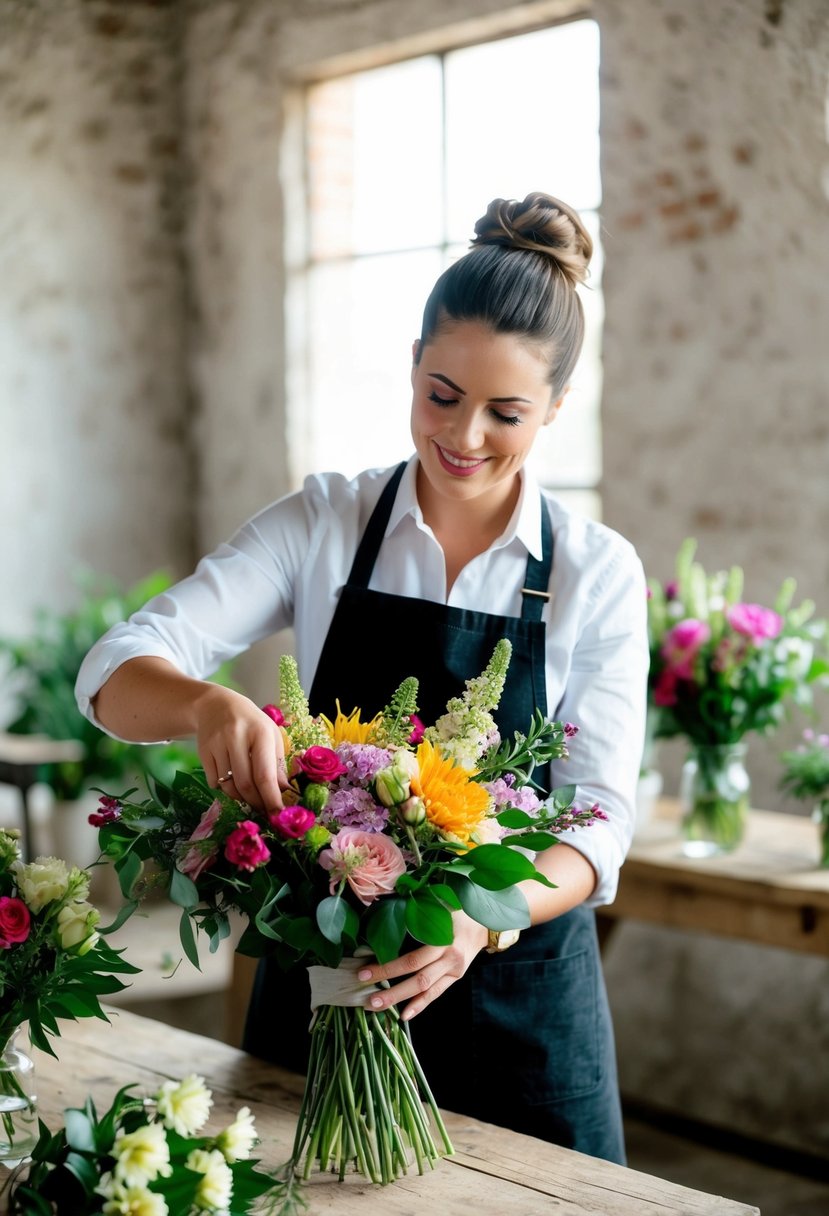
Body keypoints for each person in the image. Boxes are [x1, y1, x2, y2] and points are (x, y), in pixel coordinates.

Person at [76, 191, 648, 1164]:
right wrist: (205, 702)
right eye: (440, 393)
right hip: (321, 986)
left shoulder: (596, 570)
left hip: (519, 1005)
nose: (464, 436)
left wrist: (477, 919)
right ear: (413, 368)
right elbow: (111, 671)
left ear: (555, 407)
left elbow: (598, 818)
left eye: (505, 412)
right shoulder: (327, 521)